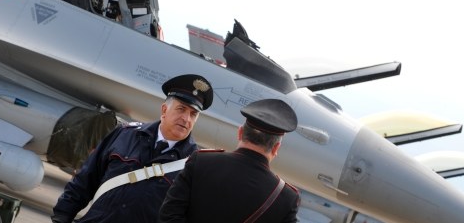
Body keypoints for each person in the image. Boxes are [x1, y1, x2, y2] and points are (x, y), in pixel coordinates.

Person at [51, 74, 214, 223]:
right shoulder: (124, 135)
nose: (186, 118)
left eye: (193, 114)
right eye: (181, 109)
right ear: (164, 110)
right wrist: (62, 216)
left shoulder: (195, 165)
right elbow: (85, 179)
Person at [157, 98, 301, 223]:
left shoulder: (200, 162)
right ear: (276, 148)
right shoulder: (286, 197)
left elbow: (168, 216)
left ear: (240, 133)